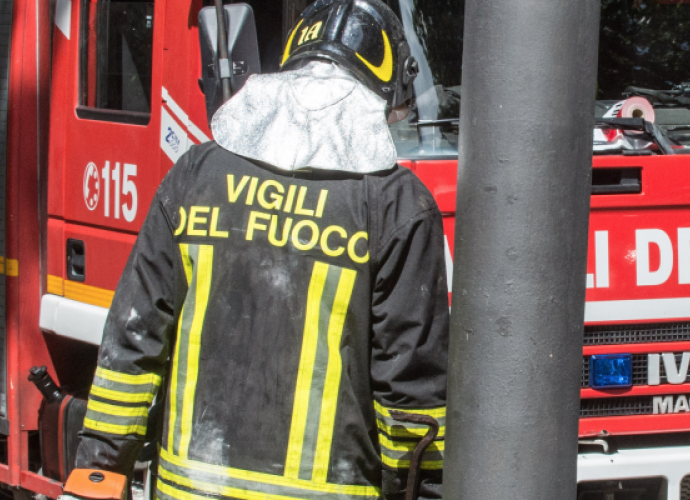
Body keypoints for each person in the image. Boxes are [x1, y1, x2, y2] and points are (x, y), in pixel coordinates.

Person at [61, 1, 449, 499]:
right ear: (382, 93)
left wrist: (98, 472)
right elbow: (410, 391)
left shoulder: (196, 175)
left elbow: (134, 340)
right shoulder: (397, 206)